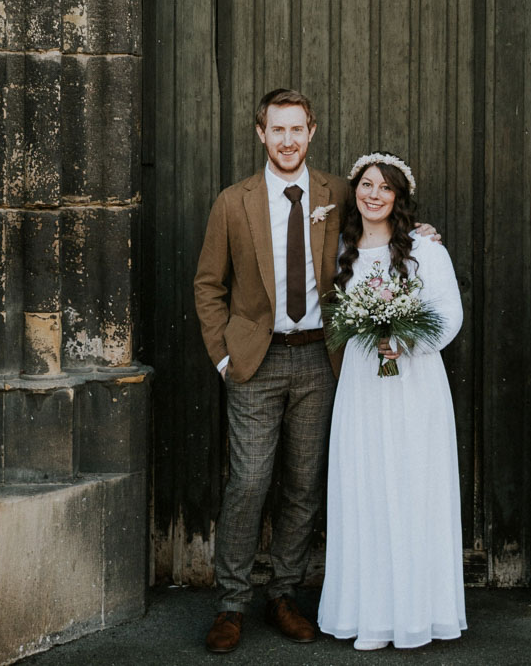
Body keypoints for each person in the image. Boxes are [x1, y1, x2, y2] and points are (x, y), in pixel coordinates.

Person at [193, 89, 352, 653]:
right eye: (276, 130)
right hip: (255, 362)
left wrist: (420, 234)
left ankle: (283, 594)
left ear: (312, 131)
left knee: (304, 485)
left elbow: (381, 235)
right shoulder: (233, 202)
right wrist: (223, 356)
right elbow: (208, 285)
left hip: (319, 359)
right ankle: (231, 603)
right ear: (261, 134)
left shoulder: (339, 194)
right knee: (250, 482)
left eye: (297, 129)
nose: (287, 140)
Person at [317, 153, 466, 652]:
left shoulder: (424, 247)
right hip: (362, 383)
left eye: (384, 187)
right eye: (365, 185)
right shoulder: (341, 247)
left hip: (413, 384)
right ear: (354, 191)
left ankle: (417, 615)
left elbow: (449, 314)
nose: (373, 194)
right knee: (365, 487)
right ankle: (367, 613)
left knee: (411, 487)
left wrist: (405, 340)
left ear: (399, 197)